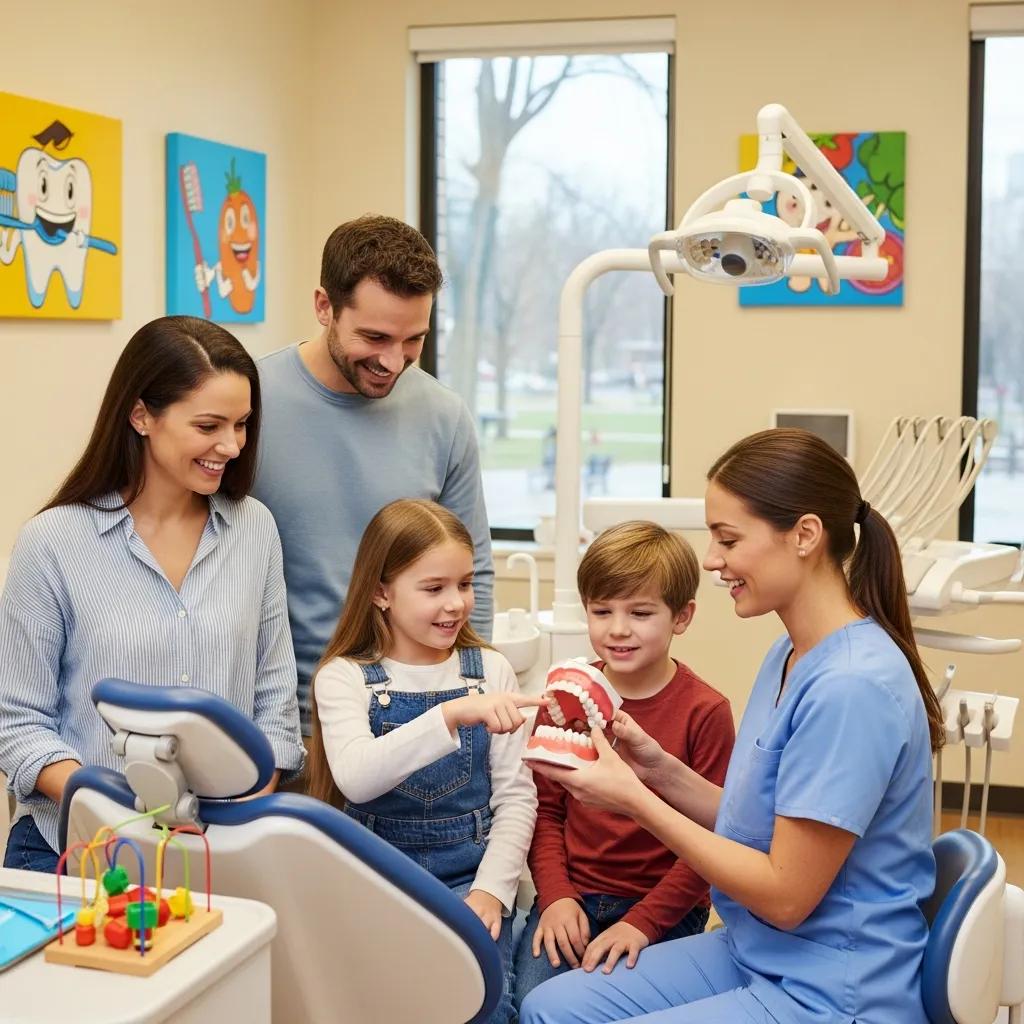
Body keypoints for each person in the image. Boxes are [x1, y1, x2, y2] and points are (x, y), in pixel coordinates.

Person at [521, 428, 943, 1024]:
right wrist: (657, 769)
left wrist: (635, 801)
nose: (711, 559)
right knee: (548, 1008)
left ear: (804, 535)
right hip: (757, 947)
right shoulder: (789, 654)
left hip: (830, 986)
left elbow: (786, 895)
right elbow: (757, 826)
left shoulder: (852, 687)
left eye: (728, 539)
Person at [0, 316, 305, 873]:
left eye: (241, 425)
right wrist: (115, 811)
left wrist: (237, 830)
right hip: (75, 852)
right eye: (209, 425)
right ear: (141, 415)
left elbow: (275, 706)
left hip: (216, 854)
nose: (231, 445)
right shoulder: (53, 543)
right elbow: (17, 723)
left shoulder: (254, 529)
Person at [252, 215, 493, 733]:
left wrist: (471, 701)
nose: (393, 361)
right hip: (287, 724)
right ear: (324, 307)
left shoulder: (444, 416)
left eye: (413, 340)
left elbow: (475, 571)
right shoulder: (250, 403)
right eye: (375, 336)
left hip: (417, 724)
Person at [307, 499, 539, 1023]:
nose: (455, 604)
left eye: (465, 583)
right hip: (374, 881)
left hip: (470, 881)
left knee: (485, 1008)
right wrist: (451, 715)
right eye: (433, 588)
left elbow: (517, 798)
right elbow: (357, 778)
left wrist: (491, 893)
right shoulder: (344, 677)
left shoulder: (491, 670)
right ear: (380, 592)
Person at [514, 521, 734, 1009]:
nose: (617, 628)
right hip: (573, 896)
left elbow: (711, 841)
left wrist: (644, 922)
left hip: (665, 907)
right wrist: (556, 897)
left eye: (640, 612)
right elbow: (545, 812)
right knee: (532, 1001)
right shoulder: (564, 698)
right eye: (602, 611)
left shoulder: (706, 712)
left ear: (682, 617)